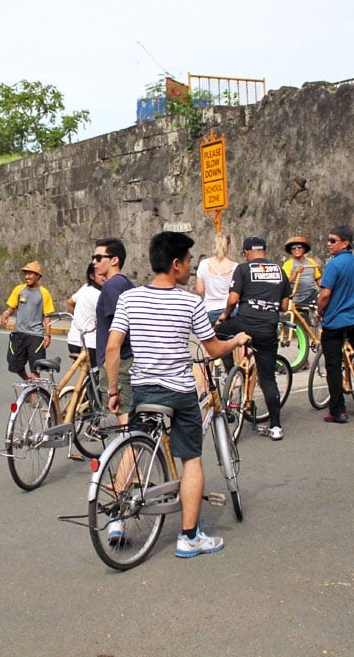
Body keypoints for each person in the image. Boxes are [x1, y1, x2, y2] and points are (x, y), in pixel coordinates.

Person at [105, 230, 251, 558]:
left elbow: (113, 347)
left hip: (143, 389)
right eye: (187, 262)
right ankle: (189, 537)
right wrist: (236, 341)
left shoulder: (129, 299)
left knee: (136, 442)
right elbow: (212, 349)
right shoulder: (189, 302)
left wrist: (114, 390)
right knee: (192, 460)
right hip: (180, 393)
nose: (189, 268)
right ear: (175, 264)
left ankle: (116, 515)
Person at [216, 236, 291, 440]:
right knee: (268, 378)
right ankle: (276, 426)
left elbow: (233, 299)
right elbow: (284, 306)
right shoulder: (280, 271)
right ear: (265, 251)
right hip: (267, 329)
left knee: (218, 333)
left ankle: (230, 369)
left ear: (246, 252)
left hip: (244, 324)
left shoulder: (243, 269)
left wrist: (225, 314)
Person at [317, 225, 354, 424]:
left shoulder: (334, 265)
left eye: (333, 241)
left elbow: (325, 294)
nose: (329, 244)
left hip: (335, 321)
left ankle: (338, 410)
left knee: (334, 366)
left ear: (345, 243)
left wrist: (320, 311)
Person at [93, 238, 135, 423]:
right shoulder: (126, 283)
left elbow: (117, 335)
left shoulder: (110, 286)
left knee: (127, 430)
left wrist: (112, 385)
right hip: (131, 359)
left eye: (98, 257)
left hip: (118, 364)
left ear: (114, 260)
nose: (94, 262)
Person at [0, 261, 54, 380]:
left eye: (30, 274)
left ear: (38, 276)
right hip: (19, 333)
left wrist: (47, 334)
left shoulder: (44, 293)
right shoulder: (19, 290)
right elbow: (11, 307)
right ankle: (28, 382)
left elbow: (47, 315)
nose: (27, 277)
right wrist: (6, 313)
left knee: (36, 366)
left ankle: (33, 394)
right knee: (14, 363)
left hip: (36, 335)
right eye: (26, 274)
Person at [194, 232, 238, 326]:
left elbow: (200, 291)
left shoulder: (204, 264)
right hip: (231, 311)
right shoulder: (235, 267)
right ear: (229, 246)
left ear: (215, 245)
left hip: (210, 310)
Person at [66, 262, 104, 366]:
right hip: (90, 344)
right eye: (101, 275)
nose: (105, 278)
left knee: (87, 377)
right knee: (98, 377)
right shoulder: (99, 295)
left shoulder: (85, 287)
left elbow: (70, 302)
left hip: (73, 341)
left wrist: (78, 319)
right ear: (92, 276)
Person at [281, 235, 321, 310]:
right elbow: (285, 282)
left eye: (299, 247)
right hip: (298, 298)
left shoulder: (311, 261)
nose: (296, 249)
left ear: (304, 249)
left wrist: (326, 288)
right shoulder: (288, 264)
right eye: (293, 248)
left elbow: (318, 279)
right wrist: (296, 273)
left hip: (312, 295)